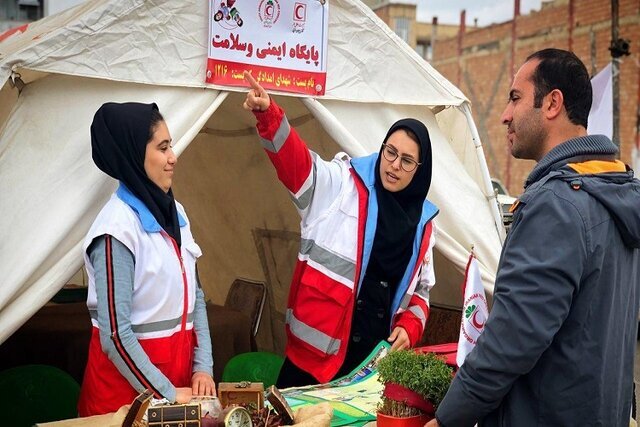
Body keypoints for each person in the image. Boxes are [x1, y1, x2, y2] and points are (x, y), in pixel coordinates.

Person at [427, 48, 640, 427]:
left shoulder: (557, 205)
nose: (505, 115)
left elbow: (511, 342)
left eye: (515, 97)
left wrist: (447, 419)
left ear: (552, 103)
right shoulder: (615, 192)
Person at [242, 71, 439, 388]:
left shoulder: (425, 225)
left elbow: (422, 293)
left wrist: (409, 327)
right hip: (313, 359)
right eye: (390, 152)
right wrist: (269, 116)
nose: (394, 165)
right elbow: (298, 166)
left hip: (370, 363)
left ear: (420, 170)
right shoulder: (343, 184)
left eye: (407, 161)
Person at [77, 102, 216, 416]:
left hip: (173, 389)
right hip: (124, 402)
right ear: (133, 155)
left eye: (172, 146)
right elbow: (116, 336)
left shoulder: (176, 214)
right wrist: (165, 392)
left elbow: (197, 297)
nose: (173, 158)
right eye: (162, 148)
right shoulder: (116, 231)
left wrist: (202, 367)